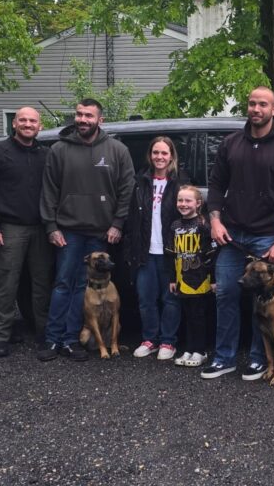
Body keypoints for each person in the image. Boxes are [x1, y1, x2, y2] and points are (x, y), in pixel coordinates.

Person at [202, 86, 274, 380]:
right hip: (231, 235)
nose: (256, 109)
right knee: (225, 295)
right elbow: (217, 185)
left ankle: (259, 360)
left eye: (263, 104)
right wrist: (215, 221)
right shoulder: (231, 144)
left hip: (266, 237)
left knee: (262, 302)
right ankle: (225, 358)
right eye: (251, 104)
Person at [37, 98, 135, 362]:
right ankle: (53, 339)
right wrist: (51, 226)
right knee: (62, 285)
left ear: (100, 120)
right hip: (67, 230)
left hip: (101, 232)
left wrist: (117, 223)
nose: (82, 119)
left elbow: (127, 189)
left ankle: (71, 340)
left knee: (84, 288)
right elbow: (49, 190)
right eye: (79, 114)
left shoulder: (117, 150)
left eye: (88, 115)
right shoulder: (59, 150)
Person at [0, 106, 53, 358]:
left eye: (33, 121)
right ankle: (0, 335)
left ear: (39, 126)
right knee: (5, 284)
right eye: (23, 120)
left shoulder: (46, 154)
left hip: (41, 228)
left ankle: (44, 333)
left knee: (42, 283)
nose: (28, 124)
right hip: (10, 228)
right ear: (14, 124)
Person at [124, 137, 187, 361]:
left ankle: (168, 341)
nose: (159, 157)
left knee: (170, 299)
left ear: (171, 156)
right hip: (145, 252)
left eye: (164, 153)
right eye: (155, 153)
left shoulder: (179, 183)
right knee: (146, 299)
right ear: (150, 155)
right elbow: (130, 219)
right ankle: (150, 339)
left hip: (169, 252)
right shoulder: (140, 182)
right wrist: (130, 249)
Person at [166, 185, 218, 368]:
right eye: (180, 200)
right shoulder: (174, 225)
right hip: (182, 278)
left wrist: (213, 280)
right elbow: (171, 254)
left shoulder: (204, 225)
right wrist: (172, 279)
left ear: (198, 203)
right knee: (187, 315)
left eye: (188, 200)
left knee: (199, 315)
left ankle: (201, 350)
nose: (183, 204)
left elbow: (211, 254)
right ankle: (189, 348)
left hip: (200, 278)